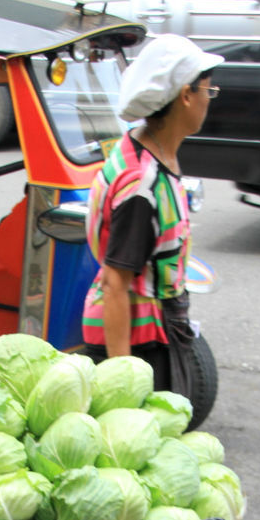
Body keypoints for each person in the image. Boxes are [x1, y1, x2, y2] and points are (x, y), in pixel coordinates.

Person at [82, 34, 223, 399]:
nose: (210, 99)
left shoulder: (148, 145)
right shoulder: (141, 189)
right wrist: (122, 385)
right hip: (132, 341)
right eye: (209, 90)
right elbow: (115, 284)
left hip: (154, 325)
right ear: (186, 95)